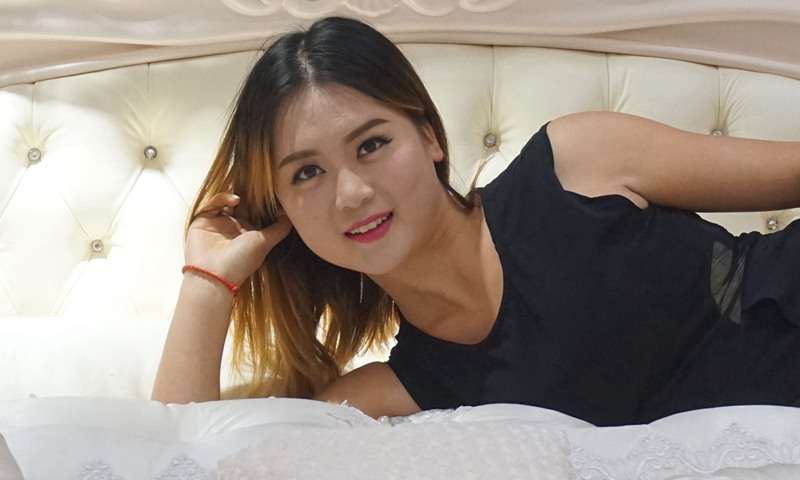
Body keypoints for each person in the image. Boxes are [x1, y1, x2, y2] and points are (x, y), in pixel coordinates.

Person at [152, 16, 800, 426]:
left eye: (372, 144)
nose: (351, 192)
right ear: (283, 209)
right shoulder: (402, 392)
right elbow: (177, 463)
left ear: (430, 136)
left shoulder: (574, 162)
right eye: (306, 173)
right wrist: (208, 282)